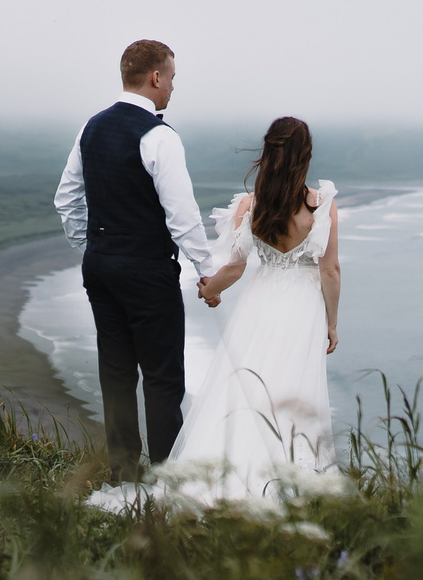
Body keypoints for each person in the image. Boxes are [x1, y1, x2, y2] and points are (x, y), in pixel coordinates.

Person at [94, 115, 349, 516]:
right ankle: (295, 480)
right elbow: (329, 271)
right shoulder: (321, 207)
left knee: (244, 384)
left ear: (268, 152)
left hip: (259, 304)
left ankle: (225, 470)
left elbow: (235, 266)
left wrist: (210, 289)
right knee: (296, 389)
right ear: (305, 157)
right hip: (303, 309)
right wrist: (332, 323)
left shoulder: (252, 206)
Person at [53, 39, 217, 472]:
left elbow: (66, 198)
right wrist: (208, 271)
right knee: (163, 380)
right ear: (155, 77)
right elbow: (182, 215)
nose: (173, 88)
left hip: (101, 267)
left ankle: (123, 472)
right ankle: (167, 480)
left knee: (117, 374)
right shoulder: (160, 137)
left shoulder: (91, 127)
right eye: (173, 79)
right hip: (147, 271)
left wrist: (89, 246)